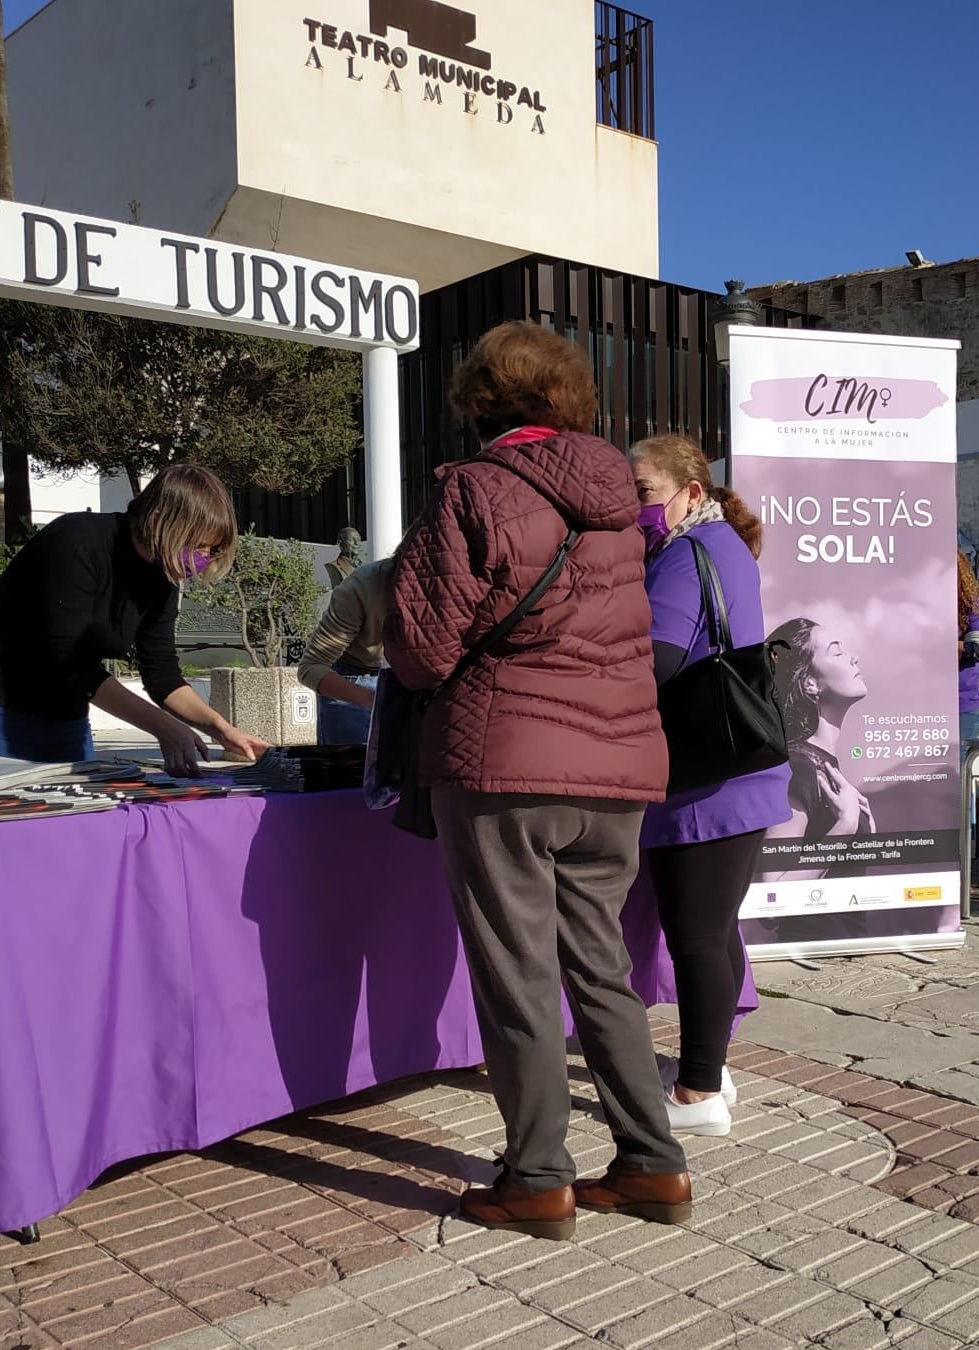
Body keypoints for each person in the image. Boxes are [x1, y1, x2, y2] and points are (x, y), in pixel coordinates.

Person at [387, 321, 689, 1238]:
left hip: (506, 763)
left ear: (481, 398)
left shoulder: (473, 489)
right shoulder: (621, 505)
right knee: (602, 968)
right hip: (620, 767)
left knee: (517, 977)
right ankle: (652, 1164)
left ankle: (537, 1178)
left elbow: (419, 648)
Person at [629, 433, 792, 1139]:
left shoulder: (683, 556)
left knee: (695, 935)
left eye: (644, 493)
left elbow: (651, 665)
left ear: (691, 492)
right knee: (716, 933)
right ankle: (711, 1066)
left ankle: (697, 1096)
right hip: (730, 773)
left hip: (702, 783)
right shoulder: (721, 544)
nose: (635, 508)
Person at [0, 464, 267, 772]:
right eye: (199, 545)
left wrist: (221, 729)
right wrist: (163, 726)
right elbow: (68, 664)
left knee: (72, 826)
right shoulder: (76, 543)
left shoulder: (161, 581)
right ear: (161, 520)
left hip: (65, 718)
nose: (203, 558)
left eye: (212, 551)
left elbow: (162, 674)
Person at [769, 617, 874, 838]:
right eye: (837, 652)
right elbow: (773, 873)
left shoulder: (820, 764)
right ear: (810, 684)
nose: (854, 658)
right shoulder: (799, 768)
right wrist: (846, 825)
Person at [297, 555, 393, 746]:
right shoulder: (362, 587)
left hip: (405, 684)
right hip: (353, 678)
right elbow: (310, 667)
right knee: (347, 771)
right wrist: (376, 701)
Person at [955, 553, 979, 745]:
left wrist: (936, 645)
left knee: (957, 771)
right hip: (921, 706)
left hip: (963, 707)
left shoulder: (972, 606)